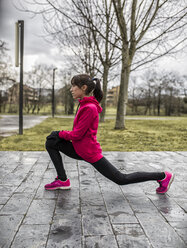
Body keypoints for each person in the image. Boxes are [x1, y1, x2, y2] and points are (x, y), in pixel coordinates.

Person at [45, 74, 174, 194]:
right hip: (79, 148)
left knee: (121, 179)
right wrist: (58, 135)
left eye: (73, 86)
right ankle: (62, 180)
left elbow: (77, 134)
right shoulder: (85, 105)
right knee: (51, 142)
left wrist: (59, 133)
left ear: (83, 88)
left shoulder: (89, 108)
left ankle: (163, 176)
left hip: (88, 152)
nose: (71, 89)